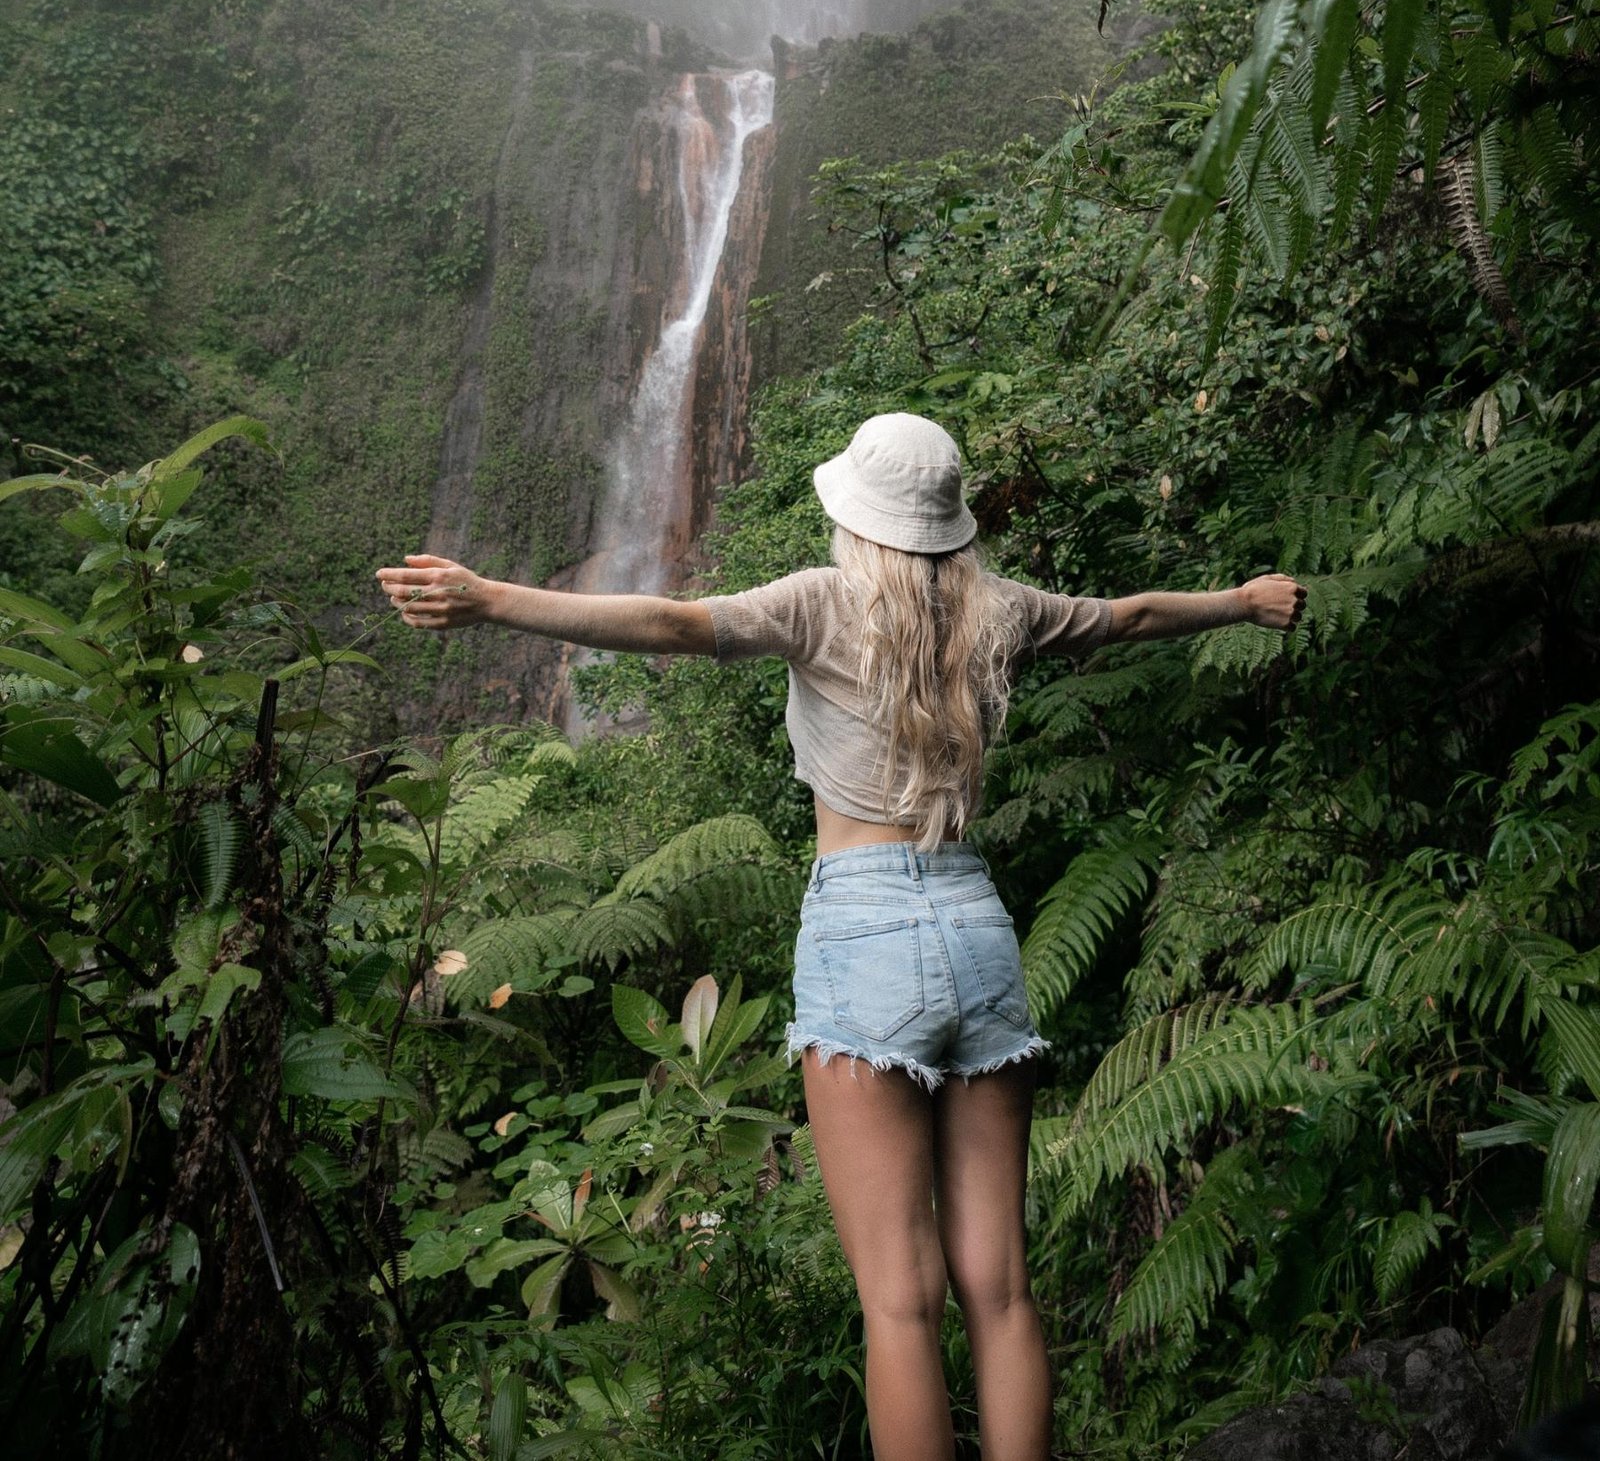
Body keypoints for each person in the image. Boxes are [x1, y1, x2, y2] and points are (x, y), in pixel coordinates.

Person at [377, 411, 1306, 1461]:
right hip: (977, 927)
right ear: (950, 526)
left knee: (901, 1305)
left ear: (855, 519)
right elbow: (1132, 617)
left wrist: (490, 599)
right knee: (999, 1291)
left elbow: (674, 623)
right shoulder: (1002, 610)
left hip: (861, 935)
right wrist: (1241, 600)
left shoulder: (819, 605)